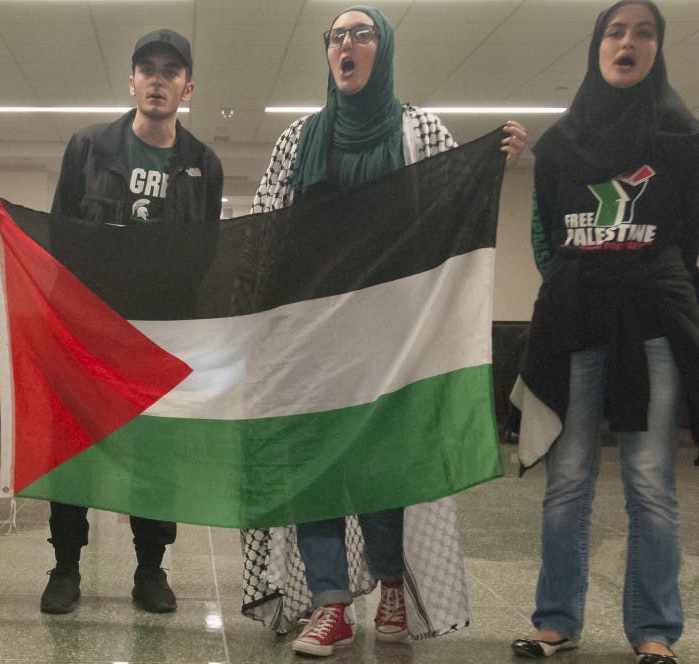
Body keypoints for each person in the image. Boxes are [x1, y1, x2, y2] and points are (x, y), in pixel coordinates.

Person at [239, 6, 526, 656]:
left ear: (383, 48)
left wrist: (495, 162)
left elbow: (456, 202)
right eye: (336, 36)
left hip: (392, 343)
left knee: (381, 473)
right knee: (312, 471)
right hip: (310, 342)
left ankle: (392, 583)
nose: (346, 44)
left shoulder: (419, 129)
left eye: (360, 34)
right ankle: (331, 604)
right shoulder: (298, 138)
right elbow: (264, 227)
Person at [510, 2, 699, 662]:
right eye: (615, 31)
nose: (628, 42)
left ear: (658, 49)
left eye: (643, 32)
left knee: (651, 483)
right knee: (568, 482)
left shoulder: (683, 139)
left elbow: (691, 247)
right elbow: (549, 240)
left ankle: (654, 634)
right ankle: (556, 620)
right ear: (597, 47)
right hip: (575, 328)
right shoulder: (560, 147)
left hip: (651, 330)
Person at [41, 27, 223, 615]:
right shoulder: (89, 148)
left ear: (186, 87)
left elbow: (206, 253)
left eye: (171, 71)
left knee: (156, 455)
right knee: (76, 446)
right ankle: (66, 565)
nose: (158, 80)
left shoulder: (203, 163)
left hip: (161, 335)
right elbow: (59, 238)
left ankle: (151, 569)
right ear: (132, 81)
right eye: (148, 69)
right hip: (90, 331)